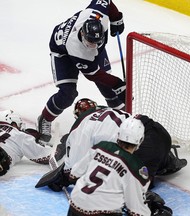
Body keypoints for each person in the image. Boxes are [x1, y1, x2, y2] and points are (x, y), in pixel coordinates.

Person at [37, 0, 126, 144]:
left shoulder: (97, 16)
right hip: (62, 53)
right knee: (68, 94)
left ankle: (123, 117)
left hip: (84, 51)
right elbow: (94, 75)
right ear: (83, 35)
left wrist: (116, 18)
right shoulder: (77, 49)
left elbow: (106, 1)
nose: (94, 46)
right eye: (91, 42)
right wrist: (118, 84)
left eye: (97, 42)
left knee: (108, 86)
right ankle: (45, 118)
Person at [67, 117, 151, 216]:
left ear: (119, 135)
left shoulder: (101, 146)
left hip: (76, 203)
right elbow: (136, 208)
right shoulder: (136, 167)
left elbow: (74, 174)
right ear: (140, 140)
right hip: (103, 211)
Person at [0, 110, 65, 176]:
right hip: (2, 155)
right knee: (3, 160)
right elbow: (48, 156)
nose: (20, 128)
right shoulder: (20, 135)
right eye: (19, 125)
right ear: (13, 123)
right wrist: (62, 146)